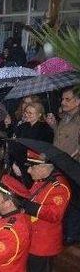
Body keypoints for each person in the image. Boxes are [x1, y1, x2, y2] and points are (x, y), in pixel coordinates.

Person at [18, 149, 71, 272]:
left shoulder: (60, 187)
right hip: (32, 238)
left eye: (32, 168)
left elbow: (54, 214)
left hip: (44, 243)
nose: (29, 171)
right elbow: (31, 198)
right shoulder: (41, 181)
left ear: (44, 167)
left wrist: (30, 207)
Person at [47, 86, 80, 246]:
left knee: (73, 201)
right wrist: (54, 126)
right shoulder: (65, 117)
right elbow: (61, 139)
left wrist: (73, 156)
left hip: (73, 166)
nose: (63, 102)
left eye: (67, 99)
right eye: (62, 99)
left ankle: (71, 234)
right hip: (59, 163)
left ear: (78, 101)